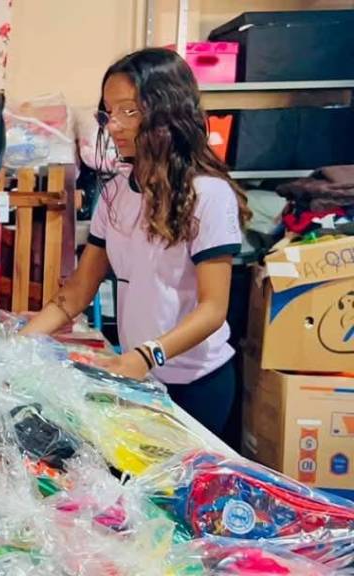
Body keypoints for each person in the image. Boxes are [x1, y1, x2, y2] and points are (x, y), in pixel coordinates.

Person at [21, 48, 251, 437]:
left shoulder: (209, 195)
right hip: (141, 375)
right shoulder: (115, 193)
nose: (115, 126)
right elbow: (76, 293)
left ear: (168, 112)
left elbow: (213, 309)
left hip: (197, 384)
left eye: (130, 111)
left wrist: (148, 354)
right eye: (109, 113)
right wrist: (15, 345)